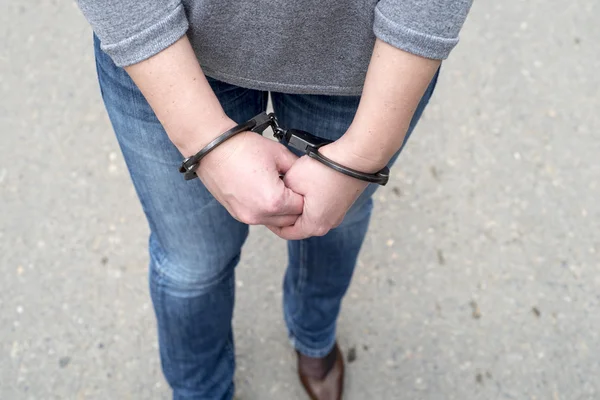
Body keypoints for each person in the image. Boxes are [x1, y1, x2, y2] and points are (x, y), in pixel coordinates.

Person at [77, 0, 472, 398]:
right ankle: (200, 391)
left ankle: (313, 334)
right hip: (164, 45)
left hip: (360, 53)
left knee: (332, 224)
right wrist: (203, 137)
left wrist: (364, 155)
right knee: (192, 263)